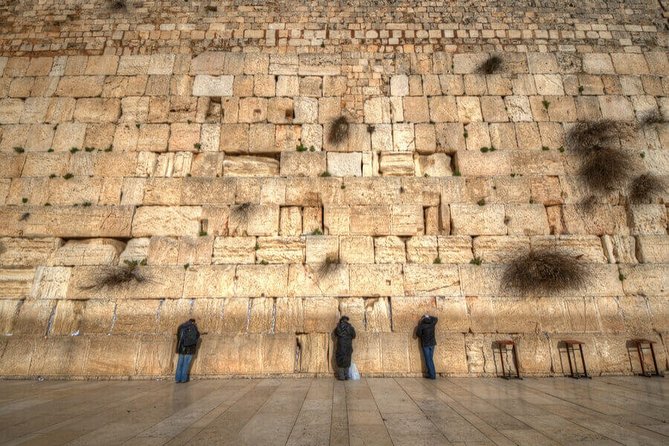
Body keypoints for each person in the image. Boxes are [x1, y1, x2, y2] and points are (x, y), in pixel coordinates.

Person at [175, 318, 200, 383]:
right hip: (189, 349)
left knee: (179, 363)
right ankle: (183, 379)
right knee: (186, 364)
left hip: (181, 348)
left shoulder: (181, 326)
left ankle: (177, 379)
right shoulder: (193, 327)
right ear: (193, 322)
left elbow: (178, 337)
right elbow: (196, 336)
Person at [416, 314, 438, 379]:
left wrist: (421, 321)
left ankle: (432, 375)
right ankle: (430, 373)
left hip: (426, 344)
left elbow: (418, 334)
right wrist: (429, 316)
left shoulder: (421, 326)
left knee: (428, 360)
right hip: (432, 343)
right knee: (430, 359)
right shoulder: (432, 323)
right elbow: (436, 318)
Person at [334, 316, 356, 380]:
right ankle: (346, 376)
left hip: (340, 346)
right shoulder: (350, 327)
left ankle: (341, 376)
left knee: (340, 360)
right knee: (347, 359)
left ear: (341, 320)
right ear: (347, 320)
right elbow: (354, 335)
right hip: (348, 346)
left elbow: (335, 334)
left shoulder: (338, 327)